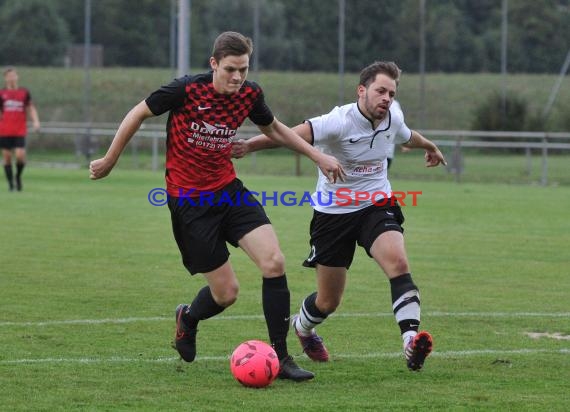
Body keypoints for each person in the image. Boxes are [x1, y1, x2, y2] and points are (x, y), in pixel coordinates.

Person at [89, 31, 345, 381]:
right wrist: (109, 159)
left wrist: (317, 155)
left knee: (274, 262)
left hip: (228, 192)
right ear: (213, 64)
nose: (237, 77)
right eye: (230, 69)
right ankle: (188, 319)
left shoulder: (250, 94)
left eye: (243, 69)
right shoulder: (185, 90)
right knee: (227, 294)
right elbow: (137, 113)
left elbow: (276, 130)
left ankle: (282, 358)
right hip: (190, 203)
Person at [232, 61, 446, 371]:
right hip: (333, 215)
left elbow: (406, 135)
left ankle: (410, 340)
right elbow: (290, 135)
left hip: (376, 204)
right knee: (328, 301)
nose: (386, 98)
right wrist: (248, 146)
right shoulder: (338, 121)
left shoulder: (391, 118)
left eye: (391, 93)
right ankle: (303, 328)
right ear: (362, 91)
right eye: (380, 91)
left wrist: (430, 146)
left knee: (398, 263)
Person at [0, 67, 40, 191]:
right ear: (5, 78)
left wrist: (36, 121)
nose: (11, 78)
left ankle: (17, 176)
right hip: (4, 130)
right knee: (6, 158)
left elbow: (31, 108)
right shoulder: (1, 93)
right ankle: (11, 184)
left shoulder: (24, 93)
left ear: (17, 77)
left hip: (19, 130)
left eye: (13, 75)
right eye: (9, 76)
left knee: (20, 156)